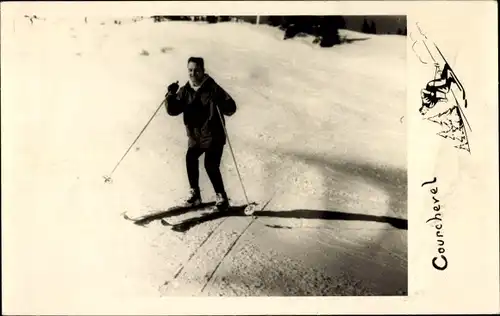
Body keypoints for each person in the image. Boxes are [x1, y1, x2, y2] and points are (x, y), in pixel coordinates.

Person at [165, 57, 237, 210]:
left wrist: (222, 102)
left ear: (203, 71)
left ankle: (221, 197)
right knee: (190, 158)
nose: (193, 73)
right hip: (196, 136)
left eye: (196, 70)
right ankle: (195, 194)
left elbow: (231, 108)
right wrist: (170, 95)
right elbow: (173, 110)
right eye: (190, 70)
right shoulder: (185, 91)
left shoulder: (213, 88)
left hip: (213, 135)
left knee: (210, 164)